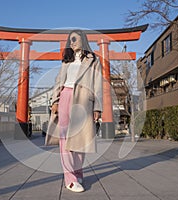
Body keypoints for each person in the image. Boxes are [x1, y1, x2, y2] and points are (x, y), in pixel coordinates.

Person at [45, 29, 103, 192]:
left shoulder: (93, 60)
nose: (72, 42)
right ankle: (69, 178)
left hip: (84, 100)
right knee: (66, 139)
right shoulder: (66, 60)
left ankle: (78, 172)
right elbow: (59, 81)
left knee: (80, 139)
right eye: (70, 40)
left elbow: (98, 83)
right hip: (65, 97)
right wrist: (55, 101)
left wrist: (97, 106)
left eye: (75, 39)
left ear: (83, 40)